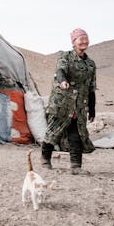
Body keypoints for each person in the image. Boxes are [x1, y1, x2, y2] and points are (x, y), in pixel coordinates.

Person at [41, 28, 96, 175]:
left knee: (76, 134)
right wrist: (63, 81)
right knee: (53, 131)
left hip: (79, 105)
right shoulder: (65, 57)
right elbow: (61, 70)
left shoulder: (90, 64)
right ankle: (45, 159)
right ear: (74, 42)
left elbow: (91, 87)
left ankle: (76, 166)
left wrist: (92, 108)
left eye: (86, 38)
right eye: (81, 39)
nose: (84, 41)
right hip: (62, 102)